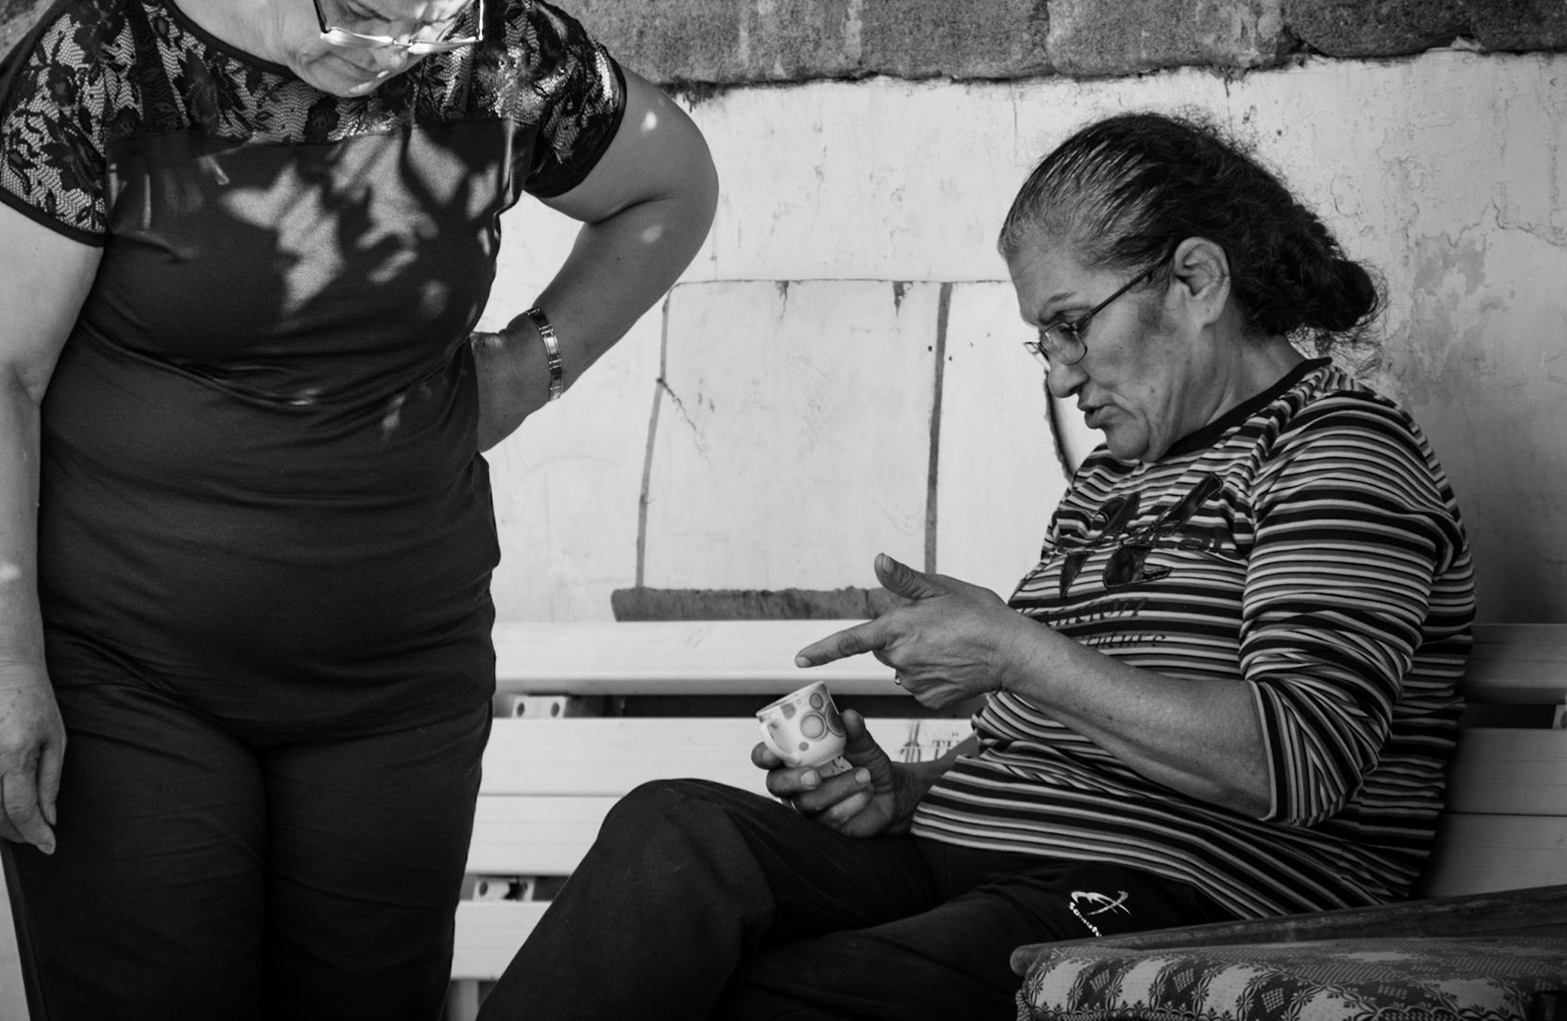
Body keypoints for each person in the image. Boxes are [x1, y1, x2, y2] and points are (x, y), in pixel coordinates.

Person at [0, 0, 717, 1020]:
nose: (387, 53)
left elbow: (672, 186)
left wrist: (531, 365)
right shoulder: (102, 57)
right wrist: (2, 663)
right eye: (355, 11)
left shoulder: (501, 53)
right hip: (127, 675)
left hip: (398, 682)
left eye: (427, 24)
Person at [477, 112, 1474, 1021]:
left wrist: (1014, 649)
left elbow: (1295, 757)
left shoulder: (1335, 449)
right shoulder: (1109, 482)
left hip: (1183, 906)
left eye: (1073, 324)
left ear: (1198, 281)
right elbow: (1061, 745)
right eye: (1044, 342)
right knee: (676, 830)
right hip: (977, 866)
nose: (1061, 375)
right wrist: (907, 792)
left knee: (780, 997)